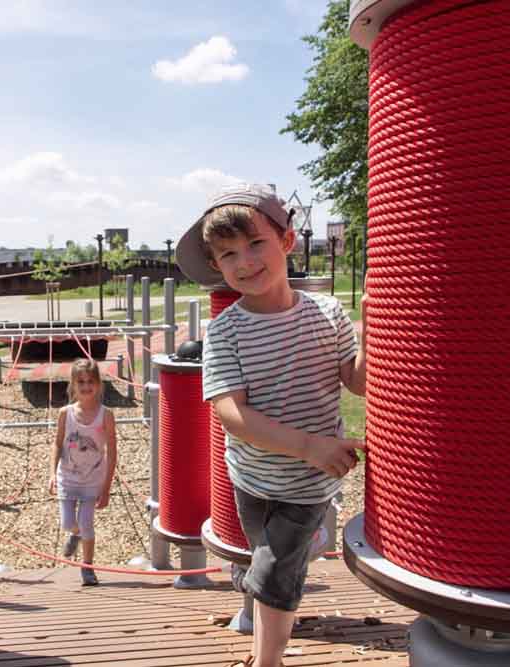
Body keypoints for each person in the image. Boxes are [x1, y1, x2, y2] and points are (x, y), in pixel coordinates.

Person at [175, 183, 367, 667]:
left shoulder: (327, 314)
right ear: (217, 266)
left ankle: (265, 661)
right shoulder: (227, 330)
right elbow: (231, 414)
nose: (244, 262)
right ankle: (286, 560)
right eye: (228, 254)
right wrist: (307, 444)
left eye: (256, 243)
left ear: (287, 242)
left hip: (307, 480)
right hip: (252, 478)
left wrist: (381, 326)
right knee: (265, 552)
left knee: (276, 574)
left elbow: (357, 380)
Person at [48, 358, 117, 586]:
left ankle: (88, 567)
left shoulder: (105, 415)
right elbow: (57, 443)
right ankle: (74, 534)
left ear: (98, 384)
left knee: (87, 522)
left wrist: (106, 488)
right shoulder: (65, 413)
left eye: (90, 381)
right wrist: (51, 473)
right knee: (68, 523)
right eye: (81, 382)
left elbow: (112, 452)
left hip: (92, 479)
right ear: (73, 385)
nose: (86, 386)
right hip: (68, 476)